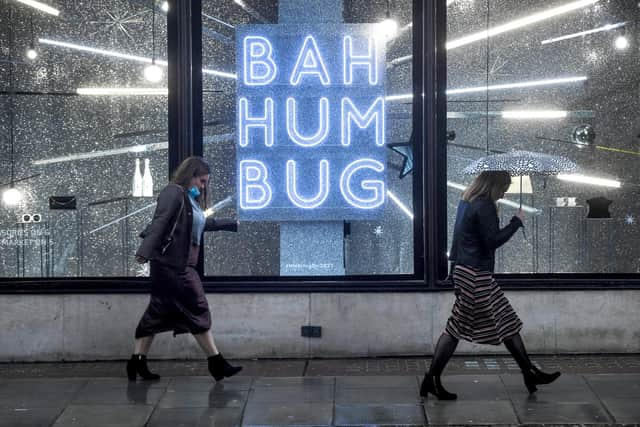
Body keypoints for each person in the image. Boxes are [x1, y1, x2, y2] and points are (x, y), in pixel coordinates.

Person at [421, 171, 560, 400]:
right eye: (504, 186)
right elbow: (492, 242)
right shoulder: (484, 206)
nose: (505, 191)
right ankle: (432, 380)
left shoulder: (468, 202)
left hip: (469, 272)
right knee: (461, 327)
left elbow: (457, 241)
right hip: (476, 275)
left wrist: (454, 274)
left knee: (504, 320)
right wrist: (516, 222)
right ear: (493, 185)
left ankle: (529, 372)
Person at [128, 156, 242, 382]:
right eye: (201, 181)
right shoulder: (173, 193)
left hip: (176, 267)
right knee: (198, 308)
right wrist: (144, 251)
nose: (203, 186)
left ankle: (136, 363)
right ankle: (216, 363)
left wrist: (232, 224)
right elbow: (160, 222)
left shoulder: (189, 201)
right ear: (190, 176)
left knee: (156, 313)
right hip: (175, 267)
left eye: (205, 182)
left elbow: (201, 224)